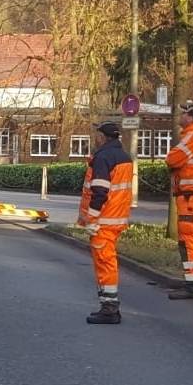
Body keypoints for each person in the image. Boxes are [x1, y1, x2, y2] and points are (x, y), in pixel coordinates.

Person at [78, 121, 133, 324]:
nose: (95, 138)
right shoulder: (124, 156)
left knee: (105, 263)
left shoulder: (103, 157)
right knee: (108, 261)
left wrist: (91, 219)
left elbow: (99, 192)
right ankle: (109, 307)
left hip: (103, 220)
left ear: (102, 137)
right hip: (116, 218)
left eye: (97, 134)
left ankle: (109, 309)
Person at [165, 105, 193, 299]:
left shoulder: (191, 137)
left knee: (189, 239)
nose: (181, 115)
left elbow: (172, 159)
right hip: (192, 196)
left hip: (190, 197)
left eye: (185, 113)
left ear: (191, 118)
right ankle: (192, 282)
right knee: (187, 239)